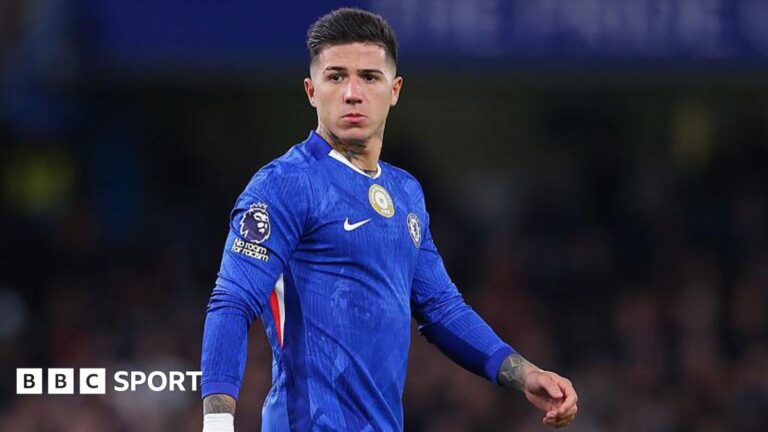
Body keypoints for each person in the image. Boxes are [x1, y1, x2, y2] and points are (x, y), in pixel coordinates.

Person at [200, 7, 578, 431]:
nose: (352, 93)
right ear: (311, 90)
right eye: (336, 76)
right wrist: (218, 425)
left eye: (369, 77)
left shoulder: (405, 192)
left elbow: (441, 308)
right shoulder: (285, 184)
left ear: (394, 89)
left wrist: (524, 373)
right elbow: (232, 301)